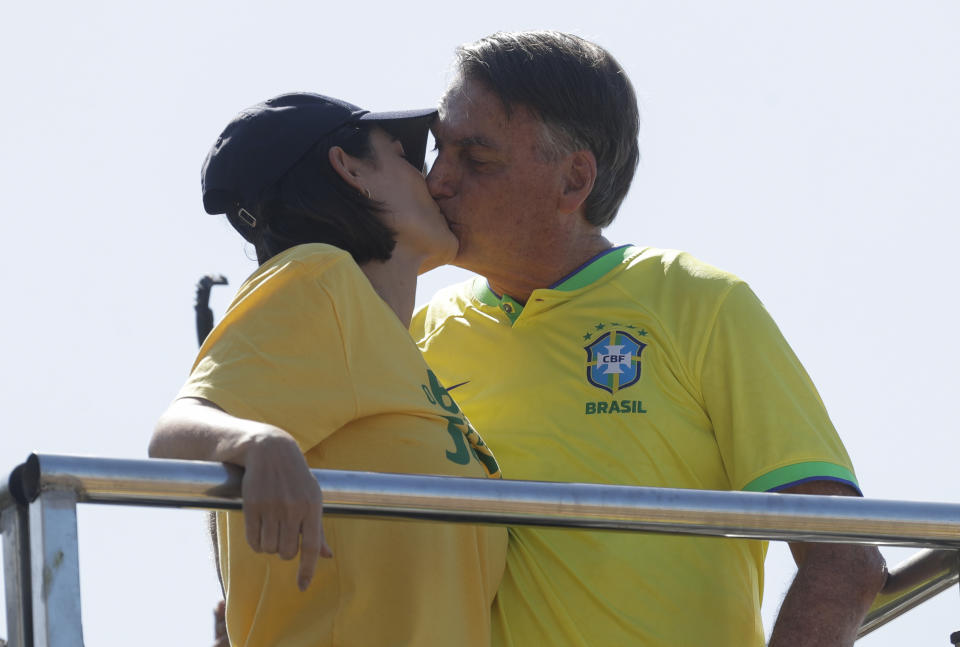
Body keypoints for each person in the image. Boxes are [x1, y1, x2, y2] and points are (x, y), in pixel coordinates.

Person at [411, 31, 887, 646]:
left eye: (476, 159)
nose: (438, 181)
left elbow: (844, 558)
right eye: (438, 151)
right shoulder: (417, 334)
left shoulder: (697, 302)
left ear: (573, 180)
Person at [149, 92, 505, 647]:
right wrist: (260, 442)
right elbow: (177, 433)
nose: (435, 180)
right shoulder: (322, 277)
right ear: (350, 168)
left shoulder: (390, 347)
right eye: (406, 157)